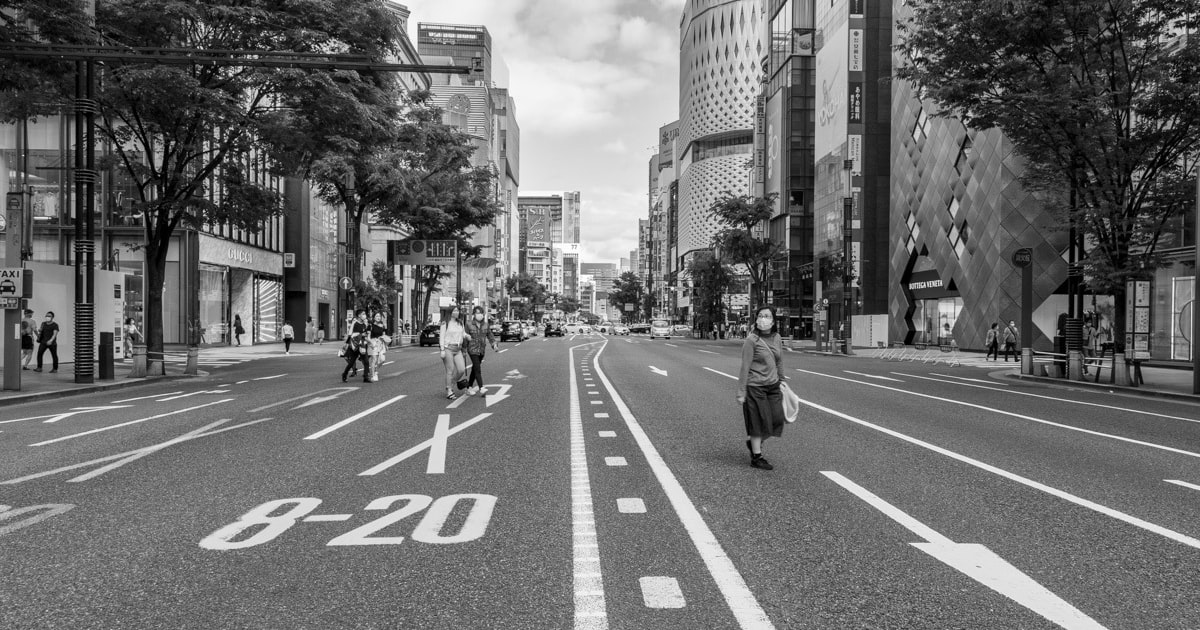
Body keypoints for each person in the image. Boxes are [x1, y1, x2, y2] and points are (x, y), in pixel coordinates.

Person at [736, 305, 787, 471]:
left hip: (773, 386)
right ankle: (757, 457)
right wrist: (741, 392)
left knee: (777, 418)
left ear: (773, 321)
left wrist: (782, 379)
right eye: (760, 315)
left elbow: (778, 360)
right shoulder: (751, 340)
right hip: (755, 386)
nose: (762, 318)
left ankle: (754, 442)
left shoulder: (777, 337)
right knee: (758, 422)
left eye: (766, 316)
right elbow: (745, 366)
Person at [463, 306, 499, 397]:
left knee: (475, 369)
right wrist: (463, 349)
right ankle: (481, 388)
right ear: (474, 314)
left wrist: (494, 345)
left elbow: (490, 336)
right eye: (477, 313)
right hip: (472, 349)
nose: (479, 315)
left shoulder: (486, 325)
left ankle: (469, 387)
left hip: (482, 350)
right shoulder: (469, 324)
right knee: (477, 368)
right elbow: (465, 337)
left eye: (481, 313)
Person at [440, 306, 467, 399]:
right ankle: (449, 390)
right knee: (450, 370)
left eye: (457, 310)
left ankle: (451, 384)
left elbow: (463, 334)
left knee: (461, 370)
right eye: (455, 310)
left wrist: (468, 336)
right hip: (448, 348)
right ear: (450, 312)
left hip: (458, 348)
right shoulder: (445, 323)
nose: (457, 312)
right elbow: (441, 337)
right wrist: (442, 349)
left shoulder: (460, 323)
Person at [341, 309, 370, 383]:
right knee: (351, 362)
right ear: (359, 315)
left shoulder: (364, 324)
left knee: (366, 361)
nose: (364, 315)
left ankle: (366, 377)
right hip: (354, 345)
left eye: (365, 314)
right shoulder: (355, 323)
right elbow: (350, 334)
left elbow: (365, 334)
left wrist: (368, 340)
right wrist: (360, 334)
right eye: (363, 314)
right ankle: (344, 374)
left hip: (362, 344)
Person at [367, 312, 389, 382]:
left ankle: (376, 370)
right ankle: (373, 375)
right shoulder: (370, 326)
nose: (378, 317)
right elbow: (368, 337)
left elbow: (384, 336)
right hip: (373, 343)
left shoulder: (382, 325)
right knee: (374, 359)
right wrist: (371, 343)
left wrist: (386, 345)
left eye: (379, 316)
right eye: (376, 316)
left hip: (381, 344)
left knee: (382, 360)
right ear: (374, 317)